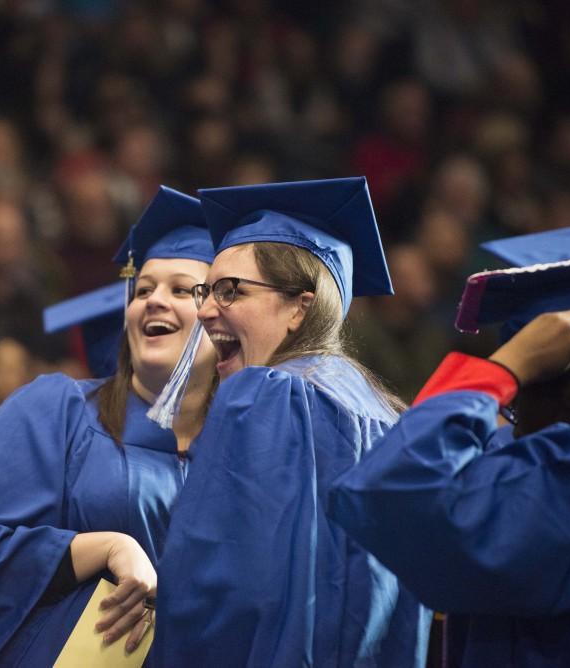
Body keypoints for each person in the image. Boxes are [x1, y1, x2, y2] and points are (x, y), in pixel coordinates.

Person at [0, 185, 216, 666]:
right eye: (143, 289)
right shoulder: (56, 410)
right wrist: (104, 547)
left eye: (182, 290)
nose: (154, 301)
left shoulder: (242, 445)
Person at [153, 177, 429, 667]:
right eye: (206, 291)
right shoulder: (389, 417)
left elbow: (216, 590)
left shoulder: (265, 398)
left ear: (300, 306)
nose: (205, 310)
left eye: (229, 291)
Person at [329, 221, 570, 667]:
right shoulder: (549, 462)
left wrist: (502, 369)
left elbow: (388, 485)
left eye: (522, 389)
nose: (510, 412)